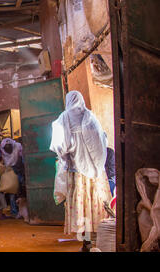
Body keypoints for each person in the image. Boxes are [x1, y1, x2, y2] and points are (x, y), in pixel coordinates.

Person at [50, 91, 112, 252]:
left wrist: (67, 156)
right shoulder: (90, 117)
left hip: (77, 174)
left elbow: (59, 147)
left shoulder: (64, 119)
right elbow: (103, 140)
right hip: (97, 174)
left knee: (82, 208)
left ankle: (86, 243)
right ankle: (99, 240)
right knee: (96, 205)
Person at [0, 138, 26, 218]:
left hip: (19, 169)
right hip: (11, 171)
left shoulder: (18, 146)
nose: (8, 148)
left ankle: (21, 211)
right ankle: (14, 211)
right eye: (6, 147)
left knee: (20, 190)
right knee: (12, 191)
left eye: (9, 146)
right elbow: (7, 163)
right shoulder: (3, 152)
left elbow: (22, 156)